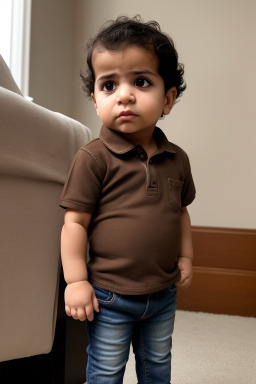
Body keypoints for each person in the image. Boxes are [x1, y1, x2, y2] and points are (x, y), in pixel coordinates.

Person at [59, 15, 196, 384]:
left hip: (162, 292)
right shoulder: (93, 158)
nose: (124, 95)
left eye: (141, 81)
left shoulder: (177, 158)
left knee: (157, 364)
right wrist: (76, 281)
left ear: (168, 98)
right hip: (109, 297)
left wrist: (186, 255)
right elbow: (75, 222)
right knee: (105, 369)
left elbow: (180, 212)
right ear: (95, 100)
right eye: (108, 85)